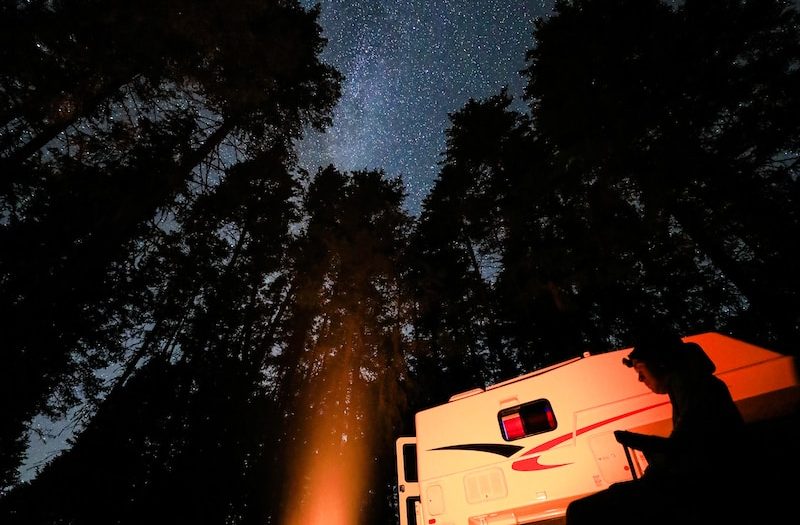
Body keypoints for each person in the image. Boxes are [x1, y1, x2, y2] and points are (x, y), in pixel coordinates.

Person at [565, 325, 745, 525]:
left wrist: (636, 441)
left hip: (705, 485)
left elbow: (683, 448)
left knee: (581, 511)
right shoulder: (690, 385)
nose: (640, 378)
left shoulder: (692, 387)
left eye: (641, 370)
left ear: (661, 364)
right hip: (697, 481)